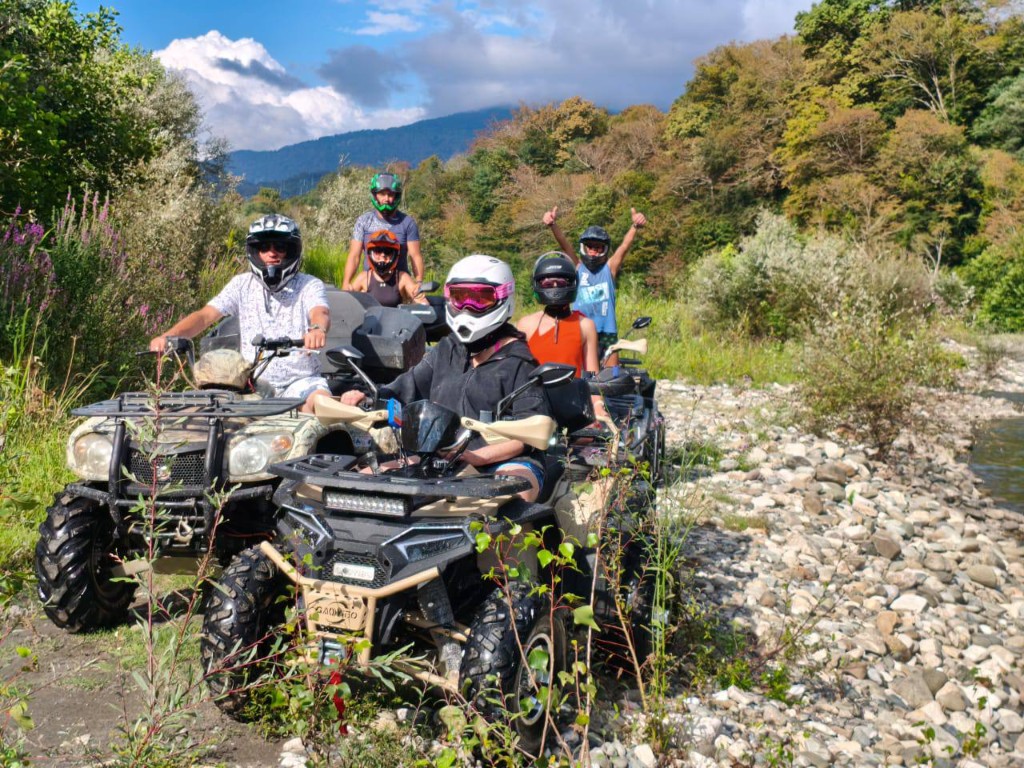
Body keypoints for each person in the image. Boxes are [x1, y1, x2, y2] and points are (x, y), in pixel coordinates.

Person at [340, 254, 549, 502]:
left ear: (503, 298)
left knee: (512, 497)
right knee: (356, 486)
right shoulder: (448, 349)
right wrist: (366, 397)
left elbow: (525, 438)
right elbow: (404, 389)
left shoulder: (519, 362)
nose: (468, 307)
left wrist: (476, 457)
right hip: (439, 457)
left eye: (480, 298)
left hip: (503, 462)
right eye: (460, 298)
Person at [149, 214, 331, 414]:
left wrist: (316, 329)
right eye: (264, 248)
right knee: (212, 417)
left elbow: (320, 311)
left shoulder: (309, 284)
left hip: (301, 382)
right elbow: (205, 316)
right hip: (252, 383)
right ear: (255, 252)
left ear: (291, 250)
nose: (272, 253)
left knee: (321, 404)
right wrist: (169, 336)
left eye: (280, 247)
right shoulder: (241, 284)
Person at [542, 205, 647, 365]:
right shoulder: (578, 268)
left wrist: (634, 227)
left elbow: (624, 247)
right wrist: (552, 225)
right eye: (589, 246)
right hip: (580, 331)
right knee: (583, 378)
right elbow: (564, 244)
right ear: (583, 247)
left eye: (598, 247)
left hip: (607, 333)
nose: (593, 251)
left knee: (611, 380)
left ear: (605, 249)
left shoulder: (609, 269)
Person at [516, 252, 599, 378]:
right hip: (535, 396)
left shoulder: (586, 325)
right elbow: (518, 372)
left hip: (572, 396)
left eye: (560, 283)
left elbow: (593, 377)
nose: (554, 287)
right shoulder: (526, 324)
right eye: (548, 284)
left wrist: (598, 398)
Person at [342, 171, 424, 290]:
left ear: (396, 196)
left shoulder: (408, 223)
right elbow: (354, 255)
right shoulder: (363, 221)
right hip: (369, 284)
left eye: (390, 194)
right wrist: (346, 282)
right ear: (375, 195)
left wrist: (419, 282)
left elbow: (415, 255)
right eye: (382, 194)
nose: (386, 199)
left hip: (399, 285)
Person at [348, 229, 428, 307]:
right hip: (370, 320)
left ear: (395, 255)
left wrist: (420, 297)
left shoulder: (402, 278)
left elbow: (420, 300)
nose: (383, 255)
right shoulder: (364, 278)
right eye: (378, 251)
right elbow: (347, 303)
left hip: (396, 320)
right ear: (370, 253)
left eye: (387, 251)